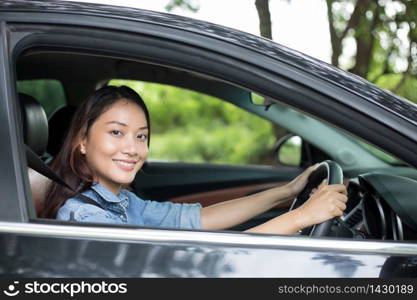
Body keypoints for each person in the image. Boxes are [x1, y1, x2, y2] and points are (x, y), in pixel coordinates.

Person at [43, 86, 347, 235]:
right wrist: (301, 217)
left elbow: (198, 220)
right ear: (82, 140)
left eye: (141, 136)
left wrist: (287, 192)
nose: (133, 148)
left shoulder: (119, 201)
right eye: (116, 132)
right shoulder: (86, 218)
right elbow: (199, 267)